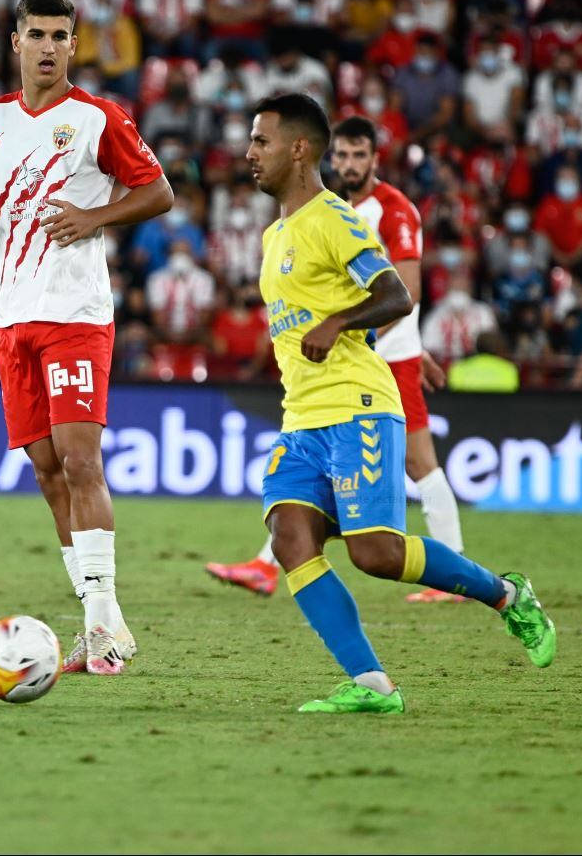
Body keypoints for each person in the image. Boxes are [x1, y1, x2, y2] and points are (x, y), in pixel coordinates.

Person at [227, 93, 554, 713]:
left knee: (375, 552)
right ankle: (373, 684)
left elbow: (394, 294)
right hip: (303, 417)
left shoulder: (334, 217)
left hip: (358, 408)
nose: (250, 153)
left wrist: (339, 325)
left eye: (261, 141)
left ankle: (508, 596)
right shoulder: (275, 235)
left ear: (299, 149)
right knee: (291, 537)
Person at [0, 0, 173, 676]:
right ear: (15, 41)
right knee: (45, 468)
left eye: (62, 35)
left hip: (75, 315)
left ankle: (96, 626)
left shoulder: (96, 119)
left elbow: (159, 191)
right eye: (38, 34)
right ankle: (108, 624)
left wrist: (94, 218)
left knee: (80, 459)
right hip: (12, 317)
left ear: (72, 44)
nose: (50, 47)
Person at [207, 116, 471, 604]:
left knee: (419, 465)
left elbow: (404, 290)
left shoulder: (392, 210)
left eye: (358, 155)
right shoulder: (325, 210)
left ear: (374, 158)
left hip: (379, 360)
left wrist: (361, 336)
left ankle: (456, 567)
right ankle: (269, 563)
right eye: (343, 155)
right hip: (357, 356)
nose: (349, 164)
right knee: (314, 475)